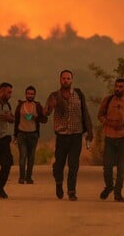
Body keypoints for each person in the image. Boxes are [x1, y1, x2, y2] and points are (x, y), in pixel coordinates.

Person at [44, 69, 93, 201]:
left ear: (72, 80)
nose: (66, 80)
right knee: (59, 165)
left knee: (73, 164)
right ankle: (59, 183)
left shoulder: (78, 94)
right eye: (63, 78)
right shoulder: (54, 95)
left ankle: (72, 191)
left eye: (68, 78)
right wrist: (50, 107)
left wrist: (90, 131)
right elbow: (45, 114)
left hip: (76, 135)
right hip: (62, 135)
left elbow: (85, 112)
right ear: (60, 80)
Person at [98, 78, 124, 202]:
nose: (117, 89)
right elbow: (100, 115)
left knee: (122, 168)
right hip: (110, 137)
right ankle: (109, 186)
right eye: (116, 86)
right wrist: (108, 123)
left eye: (120, 87)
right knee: (107, 166)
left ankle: (118, 192)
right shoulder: (108, 100)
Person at [14, 85, 48, 184]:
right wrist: (15, 135)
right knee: (23, 156)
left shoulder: (37, 106)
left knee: (31, 157)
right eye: (28, 93)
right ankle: (21, 177)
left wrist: (37, 116)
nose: (30, 95)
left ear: (34, 95)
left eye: (32, 94)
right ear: (25, 94)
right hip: (21, 134)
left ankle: (28, 177)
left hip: (33, 134)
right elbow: (16, 120)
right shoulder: (20, 106)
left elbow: (44, 120)